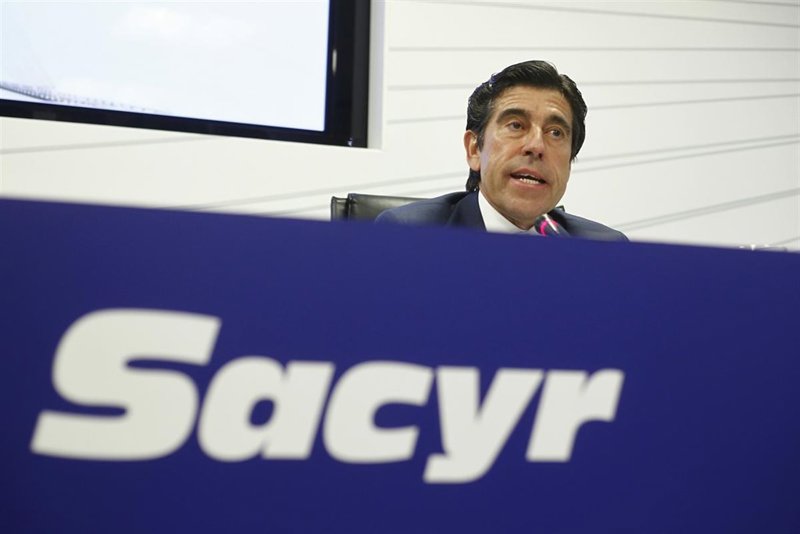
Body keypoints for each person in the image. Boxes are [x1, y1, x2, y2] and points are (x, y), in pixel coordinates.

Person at [376, 60, 627, 241]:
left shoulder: (604, 251)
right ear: (474, 149)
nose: (536, 146)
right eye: (516, 125)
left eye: (555, 133)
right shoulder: (409, 236)